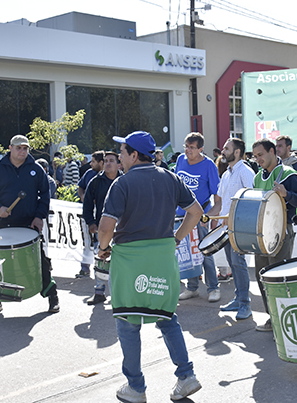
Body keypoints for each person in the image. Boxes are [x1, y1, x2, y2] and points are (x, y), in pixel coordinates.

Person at [97, 131, 202, 402]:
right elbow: (196, 212)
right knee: (167, 318)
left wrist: (102, 247)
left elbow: (106, 227)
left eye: (122, 152)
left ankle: (136, 387)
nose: (119, 157)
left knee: (127, 322)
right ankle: (186, 376)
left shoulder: (121, 184)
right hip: (162, 257)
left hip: (129, 261)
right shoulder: (171, 177)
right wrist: (177, 238)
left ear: (133, 155)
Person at [0, 134, 59, 315]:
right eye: (18, 148)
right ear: (10, 148)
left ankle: (52, 295)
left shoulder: (36, 169)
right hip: (3, 222)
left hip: (29, 221)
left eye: (25, 148)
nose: (22, 151)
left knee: (40, 261)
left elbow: (45, 194)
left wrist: (39, 216)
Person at [251, 138, 297, 332]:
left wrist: (287, 195)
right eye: (255, 156)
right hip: (261, 235)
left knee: (278, 278)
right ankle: (272, 318)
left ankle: (284, 322)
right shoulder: (258, 177)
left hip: (281, 232)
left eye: (261, 155)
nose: (257, 159)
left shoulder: (289, 175)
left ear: (272, 152)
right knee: (262, 276)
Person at [209, 138, 256, 321]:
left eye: (227, 148)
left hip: (238, 227)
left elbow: (252, 199)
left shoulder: (245, 171)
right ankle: (238, 299)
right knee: (232, 263)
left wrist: (237, 220)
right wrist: (210, 217)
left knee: (238, 263)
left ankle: (245, 303)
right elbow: (219, 202)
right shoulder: (227, 173)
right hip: (225, 228)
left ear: (237, 152)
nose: (223, 150)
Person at [175, 132, 221, 303]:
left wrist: (208, 218)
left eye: (192, 148)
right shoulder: (180, 160)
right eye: (186, 146)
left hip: (200, 217)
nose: (188, 150)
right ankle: (192, 287)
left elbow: (218, 199)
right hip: (181, 217)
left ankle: (213, 288)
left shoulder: (209, 165)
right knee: (187, 255)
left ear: (201, 149)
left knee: (205, 253)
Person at [83, 150, 122, 305]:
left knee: (119, 262)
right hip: (102, 228)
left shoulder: (125, 180)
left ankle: (118, 294)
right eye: (106, 161)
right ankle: (99, 292)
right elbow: (86, 205)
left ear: (119, 164)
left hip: (122, 229)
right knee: (100, 260)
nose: (108, 163)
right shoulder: (95, 182)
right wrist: (91, 223)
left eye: (111, 160)